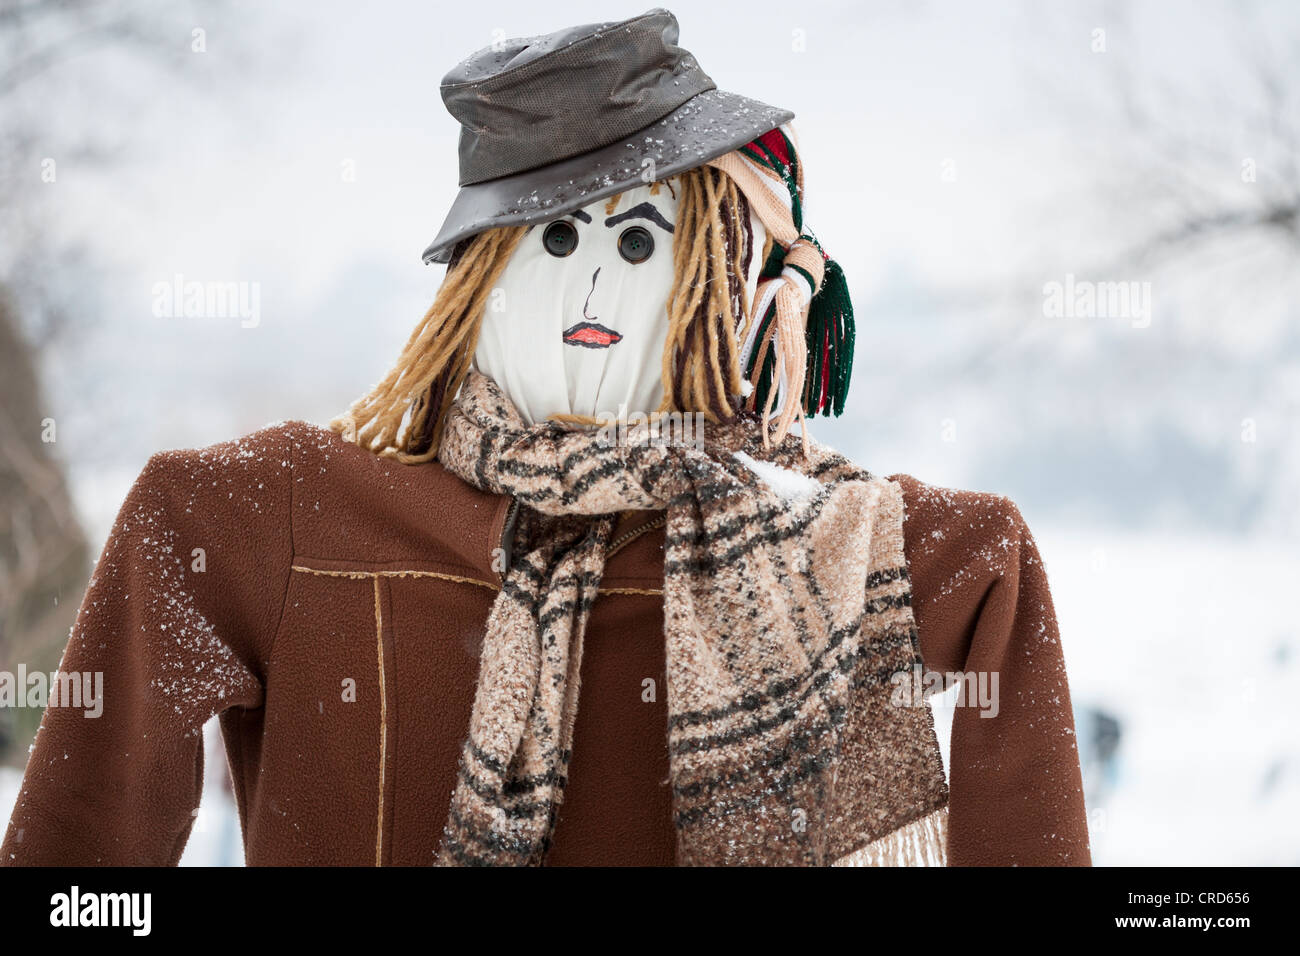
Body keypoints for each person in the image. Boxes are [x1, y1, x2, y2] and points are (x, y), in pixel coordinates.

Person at [1, 9, 1089, 867]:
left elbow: (991, 567)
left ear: (712, 273)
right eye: (553, 233)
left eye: (637, 235)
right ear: (478, 280)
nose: (595, 275)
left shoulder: (834, 545)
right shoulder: (287, 510)